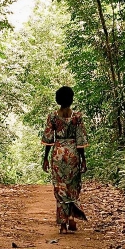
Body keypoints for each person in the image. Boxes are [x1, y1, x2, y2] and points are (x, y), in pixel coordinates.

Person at [41, 86, 89, 234]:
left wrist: (45, 159)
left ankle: (62, 224)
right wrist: (83, 159)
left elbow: (49, 139)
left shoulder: (53, 117)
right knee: (73, 186)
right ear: (71, 99)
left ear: (58, 100)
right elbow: (80, 140)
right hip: (73, 153)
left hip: (58, 153)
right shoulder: (77, 117)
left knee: (60, 187)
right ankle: (72, 219)